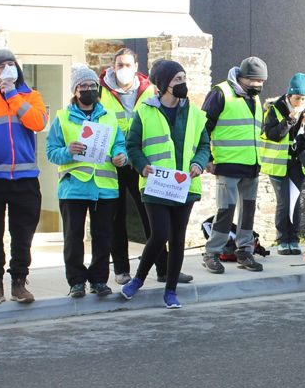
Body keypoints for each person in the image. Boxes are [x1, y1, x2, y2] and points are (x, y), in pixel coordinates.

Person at [121, 60, 211, 309]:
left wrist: (199, 164)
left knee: (178, 238)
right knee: (159, 234)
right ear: (163, 84)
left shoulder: (193, 112)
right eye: (177, 80)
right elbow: (132, 146)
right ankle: (137, 280)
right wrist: (141, 165)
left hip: (185, 185)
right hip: (156, 185)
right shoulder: (145, 111)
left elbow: (204, 145)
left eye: (184, 78)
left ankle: (170, 291)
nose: (183, 84)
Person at [100, 49, 190, 285]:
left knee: (153, 221)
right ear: (112, 65)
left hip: (144, 163)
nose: (123, 69)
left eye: (128, 64)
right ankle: (122, 270)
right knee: (116, 217)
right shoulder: (102, 91)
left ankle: (165, 269)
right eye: (119, 64)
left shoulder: (150, 88)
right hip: (115, 160)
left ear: (136, 65)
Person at [0, 49, 48, 304]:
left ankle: (19, 282)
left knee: (22, 235)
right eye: (0, 67)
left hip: (24, 178)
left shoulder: (31, 96)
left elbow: (37, 122)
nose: (6, 70)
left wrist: (13, 95)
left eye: (11, 65)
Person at [46, 64, 128, 298]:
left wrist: (122, 157)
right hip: (74, 187)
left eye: (93, 85)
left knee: (103, 237)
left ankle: (99, 280)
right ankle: (77, 281)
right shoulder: (62, 118)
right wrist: (68, 151)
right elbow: (51, 152)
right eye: (84, 86)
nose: (89, 89)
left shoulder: (110, 117)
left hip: (105, 188)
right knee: (73, 238)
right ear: (75, 90)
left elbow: (119, 145)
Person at [201, 57, 268, 273]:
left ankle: (245, 251)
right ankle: (211, 254)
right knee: (225, 212)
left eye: (262, 81)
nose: (259, 85)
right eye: (255, 80)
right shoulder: (220, 93)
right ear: (242, 77)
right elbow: (203, 127)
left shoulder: (254, 98)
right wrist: (208, 159)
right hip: (227, 165)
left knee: (247, 212)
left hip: (251, 166)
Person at [260, 73, 305, 255]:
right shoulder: (275, 109)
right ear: (289, 95)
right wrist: (290, 119)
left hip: (297, 164)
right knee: (284, 201)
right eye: (297, 97)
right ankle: (283, 239)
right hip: (278, 163)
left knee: (296, 201)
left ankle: (294, 238)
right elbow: (273, 134)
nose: (300, 101)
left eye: (304, 98)